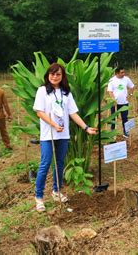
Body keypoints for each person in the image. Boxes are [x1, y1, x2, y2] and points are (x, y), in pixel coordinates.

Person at [33, 63, 97, 212]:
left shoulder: (66, 93)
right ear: (48, 75)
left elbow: (73, 113)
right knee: (45, 163)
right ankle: (39, 197)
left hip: (63, 134)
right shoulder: (42, 91)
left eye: (58, 74)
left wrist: (86, 128)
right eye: (52, 74)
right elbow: (39, 112)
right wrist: (53, 124)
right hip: (48, 134)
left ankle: (56, 191)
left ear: (62, 77)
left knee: (60, 163)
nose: (55, 77)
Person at [107, 67, 135, 138]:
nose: (123, 74)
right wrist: (113, 100)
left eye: (124, 72)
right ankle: (112, 133)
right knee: (113, 119)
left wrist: (130, 95)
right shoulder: (112, 80)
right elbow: (110, 91)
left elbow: (132, 86)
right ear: (117, 73)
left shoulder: (126, 79)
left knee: (125, 118)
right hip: (114, 103)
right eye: (122, 72)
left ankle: (125, 132)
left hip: (124, 103)